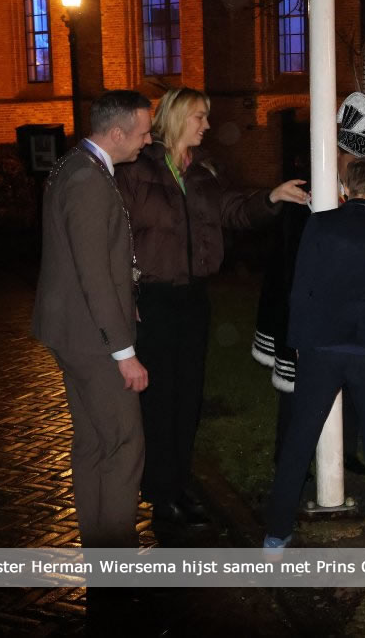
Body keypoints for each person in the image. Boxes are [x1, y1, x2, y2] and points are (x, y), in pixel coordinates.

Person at [114, 87, 308, 527]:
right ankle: (161, 494)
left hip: (193, 300)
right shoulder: (136, 170)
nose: (206, 125)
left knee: (188, 397)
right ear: (177, 117)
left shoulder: (202, 171)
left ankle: (179, 483)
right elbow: (116, 234)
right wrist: (126, 291)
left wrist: (271, 198)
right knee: (158, 401)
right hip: (153, 301)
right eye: (199, 116)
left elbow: (232, 210)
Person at [263, 156, 365, 552]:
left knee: (300, 437)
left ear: (346, 189)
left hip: (321, 346)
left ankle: (276, 532)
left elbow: (301, 286)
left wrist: (297, 342)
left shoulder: (320, 224)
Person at [31, 89, 153, 548]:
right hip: (92, 339)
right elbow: (93, 273)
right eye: (143, 133)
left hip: (71, 330)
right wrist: (124, 352)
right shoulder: (87, 179)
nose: (147, 141)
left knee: (93, 442)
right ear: (117, 133)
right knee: (124, 445)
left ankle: (100, 552)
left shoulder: (73, 165)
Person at [254, 91, 365, 476]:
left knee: (353, 381)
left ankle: (344, 453)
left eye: (363, 163)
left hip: (353, 309)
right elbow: (293, 256)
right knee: (299, 389)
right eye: (352, 161)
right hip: (309, 302)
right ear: (337, 155)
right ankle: (290, 462)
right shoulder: (307, 190)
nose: (357, 169)